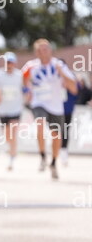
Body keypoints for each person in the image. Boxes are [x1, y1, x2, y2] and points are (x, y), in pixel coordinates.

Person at [22, 39, 77, 180]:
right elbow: (22, 79)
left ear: (51, 50)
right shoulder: (31, 66)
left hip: (56, 106)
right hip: (38, 102)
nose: (43, 52)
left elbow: (74, 87)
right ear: (36, 52)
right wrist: (27, 91)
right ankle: (42, 156)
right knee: (40, 123)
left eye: (45, 49)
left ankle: (53, 162)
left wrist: (61, 73)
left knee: (56, 136)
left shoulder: (59, 65)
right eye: (39, 50)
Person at [0, 52, 27, 171]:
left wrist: (27, 98)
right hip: (2, 110)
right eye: (8, 62)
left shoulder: (20, 75)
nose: (9, 64)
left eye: (11, 62)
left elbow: (25, 88)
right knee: (7, 135)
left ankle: (12, 158)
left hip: (16, 109)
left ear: (15, 63)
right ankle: (11, 149)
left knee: (13, 132)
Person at [60, 67, 81, 166]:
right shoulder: (52, 76)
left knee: (65, 131)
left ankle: (63, 151)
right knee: (55, 131)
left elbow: (78, 90)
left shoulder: (71, 76)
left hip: (67, 109)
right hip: (54, 109)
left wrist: (68, 84)